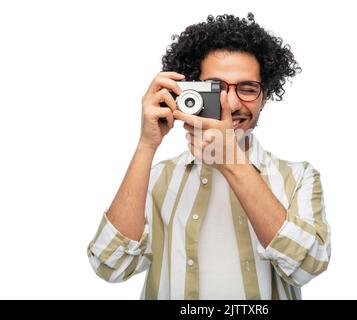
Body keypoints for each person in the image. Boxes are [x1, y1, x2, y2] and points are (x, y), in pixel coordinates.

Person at [87, 13, 331, 300]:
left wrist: (232, 163)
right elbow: (110, 265)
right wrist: (146, 144)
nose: (230, 103)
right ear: (190, 91)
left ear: (265, 96)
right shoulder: (157, 178)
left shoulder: (299, 177)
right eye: (214, 88)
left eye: (248, 88)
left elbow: (308, 266)